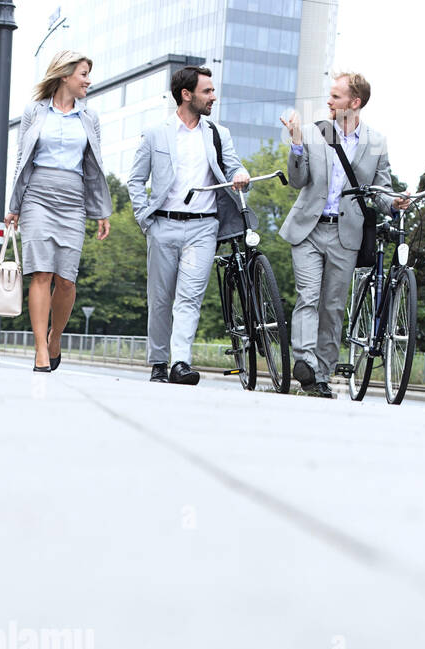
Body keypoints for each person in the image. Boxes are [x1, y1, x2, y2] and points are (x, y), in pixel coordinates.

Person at [280, 72, 410, 399]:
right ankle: (305, 361)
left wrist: (394, 202)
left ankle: (321, 376)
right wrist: (296, 144)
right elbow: (298, 181)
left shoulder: (376, 142)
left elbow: (379, 191)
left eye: (335, 97)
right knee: (308, 296)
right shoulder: (313, 132)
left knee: (333, 306)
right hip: (309, 229)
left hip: (345, 234)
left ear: (355, 102)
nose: (328, 101)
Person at [127, 66, 250, 385]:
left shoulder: (218, 134)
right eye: (207, 91)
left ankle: (180, 362)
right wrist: (146, 221)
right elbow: (136, 180)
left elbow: (234, 166)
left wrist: (241, 176)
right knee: (161, 298)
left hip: (203, 229)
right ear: (187, 94)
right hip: (163, 227)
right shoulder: (156, 133)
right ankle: (158, 362)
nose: (213, 96)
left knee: (189, 297)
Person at [5, 51, 112, 373]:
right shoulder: (34, 112)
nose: (88, 81)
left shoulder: (89, 117)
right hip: (38, 193)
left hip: (73, 198)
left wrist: (101, 210)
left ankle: (55, 337)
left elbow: (95, 166)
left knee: (66, 280)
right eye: (83, 74)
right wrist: (14, 206)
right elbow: (21, 159)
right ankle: (40, 349)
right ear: (65, 75)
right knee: (41, 273)